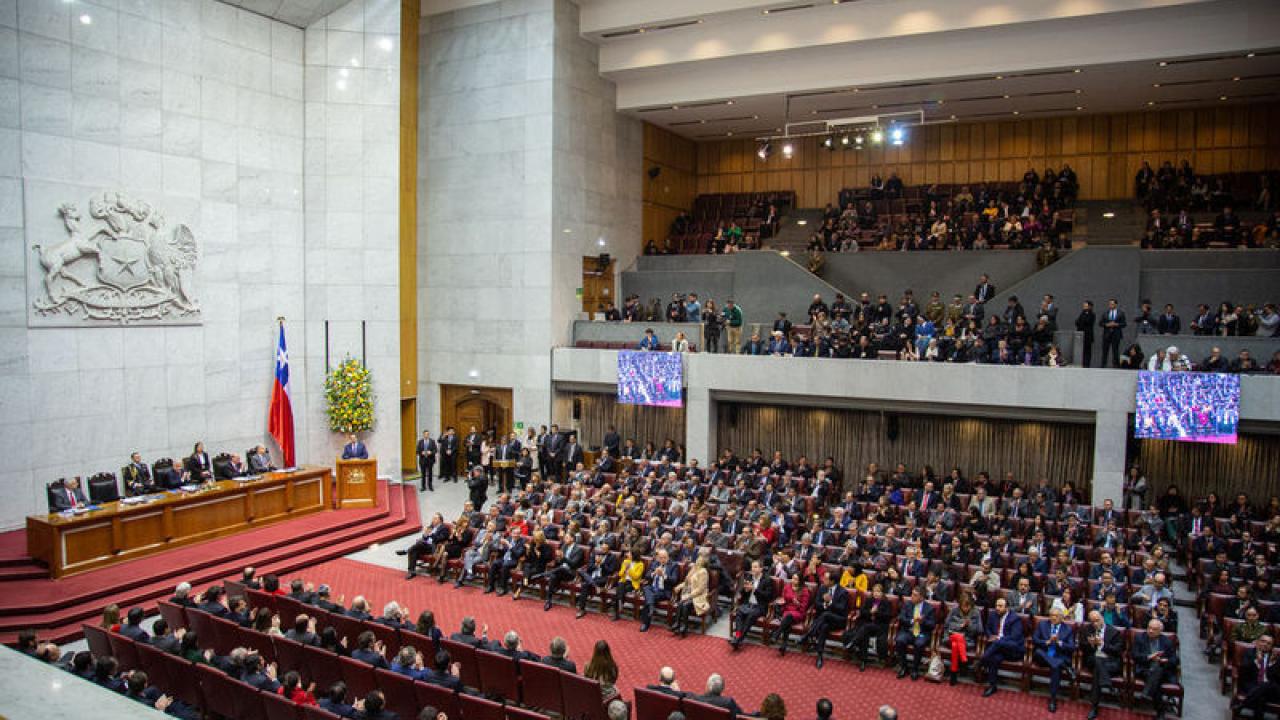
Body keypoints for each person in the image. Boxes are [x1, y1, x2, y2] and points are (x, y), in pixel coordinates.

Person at [1132, 619, 1179, 719]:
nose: (1151, 631)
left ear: (1160, 631)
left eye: (1154, 629)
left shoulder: (1166, 641)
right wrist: (1149, 657)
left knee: (1157, 671)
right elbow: (1135, 655)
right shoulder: (1140, 638)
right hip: (1145, 668)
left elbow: (1174, 660)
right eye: (1149, 628)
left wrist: (1164, 660)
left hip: (1163, 670)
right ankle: (1160, 712)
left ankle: (1146, 693)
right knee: (1155, 679)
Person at [1032, 607, 1076, 712]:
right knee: (1038, 652)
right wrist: (1046, 642)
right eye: (1051, 615)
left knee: (1055, 667)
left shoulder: (1068, 629)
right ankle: (1064, 666)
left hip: (1057, 656)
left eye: (1056, 616)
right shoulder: (1042, 624)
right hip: (1043, 656)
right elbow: (1035, 639)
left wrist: (1059, 642)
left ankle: (1053, 699)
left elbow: (1071, 647)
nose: (1053, 618)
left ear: (1061, 617)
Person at [1082, 610, 1124, 719]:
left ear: (1102, 619)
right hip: (1093, 660)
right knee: (1097, 659)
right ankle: (1106, 682)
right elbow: (1082, 647)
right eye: (1092, 622)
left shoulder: (1114, 632)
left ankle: (1094, 707)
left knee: (1098, 670)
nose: (1095, 624)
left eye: (1097, 620)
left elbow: (1118, 651)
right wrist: (1091, 645)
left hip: (1110, 662)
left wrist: (1103, 645)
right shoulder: (1087, 630)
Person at [801, 573, 849, 668]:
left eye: (826, 579)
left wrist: (830, 602)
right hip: (823, 621)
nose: (823, 580)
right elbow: (816, 603)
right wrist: (824, 605)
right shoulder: (822, 588)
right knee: (824, 627)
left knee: (826, 614)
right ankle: (819, 656)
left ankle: (809, 634)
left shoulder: (843, 592)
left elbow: (842, 608)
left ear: (832, 581)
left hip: (837, 620)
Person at [981, 596, 1024, 697]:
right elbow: (987, 628)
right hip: (998, 650)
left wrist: (998, 640)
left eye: (1000, 606)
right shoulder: (993, 615)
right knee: (994, 659)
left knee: (998, 643)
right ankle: (992, 686)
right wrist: (991, 636)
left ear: (1007, 608)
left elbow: (1014, 637)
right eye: (996, 605)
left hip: (1012, 649)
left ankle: (982, 661)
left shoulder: (1015, 618)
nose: (997, 608)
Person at [730, 560, 775, 649]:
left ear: (761, 569)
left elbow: (768, 597)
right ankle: (738, 636)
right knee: (739, 612)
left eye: (755, 567)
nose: (752, 569)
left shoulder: (767, 580)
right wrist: (745, 591)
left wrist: (754, 589)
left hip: (760, 606)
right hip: (748, 604)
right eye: (752, 567)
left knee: (750, 616)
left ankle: (738, 639)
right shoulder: (749, 577)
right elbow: (743, 593)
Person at [1234, 633, 1280, 717]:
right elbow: (1243, 670)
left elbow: (1277, 677)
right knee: (1261, 698)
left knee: (1267, 684)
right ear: (1257, 642)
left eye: (1269, 643)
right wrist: (1256, 661)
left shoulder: (1275, 657)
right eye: (1263, 641)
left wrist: (1271, 664)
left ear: (1272, 646)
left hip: (1271, 688)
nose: (1265, 644)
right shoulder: (1249, 653)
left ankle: (1242, 705)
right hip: (1252, 684)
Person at [894, 586, 935, 680]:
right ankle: (904, 667)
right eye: (912, 594)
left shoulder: (929, 608)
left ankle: (915, 669)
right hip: (908, 631)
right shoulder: (907, 604)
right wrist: (912, 621)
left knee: (919, 644)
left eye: (915, 595)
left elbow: (932, 624)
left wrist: (922, 622)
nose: (911, 596)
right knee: (900, 640)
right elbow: (901, 618)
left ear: (921, 597)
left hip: (922, 632)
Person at [944, 590, 982, 684]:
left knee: (955, 646)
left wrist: (969, 626)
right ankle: (964, 659)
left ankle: (953, 674)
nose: (965, 608)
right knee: (957, 637)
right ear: (960, 605)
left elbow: (980, 630)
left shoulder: (976, 613)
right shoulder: (954, 610)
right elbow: (946, 625)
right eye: (963, 606)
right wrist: (961, 625)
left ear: (971, 605)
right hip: (951, 636)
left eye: (968, 606)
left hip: (967, 641)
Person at [576, 543, 620, 619]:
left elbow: (611, 571)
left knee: (585, 584)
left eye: (605, 549)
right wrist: (596, 564)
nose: (602, 550)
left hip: (602, 578)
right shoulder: (594, 554)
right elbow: (589, 567)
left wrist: (601, 564)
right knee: (581, 572)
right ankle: (595, 587)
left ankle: (581, 609)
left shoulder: (612, 557)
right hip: (591, 576)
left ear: (608, 550)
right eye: (602, 548)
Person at [640, 549, 679, 632]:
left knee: (649, 597)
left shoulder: (674, 565)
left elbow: (674, 580)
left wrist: (663, 575)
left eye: (665, 558)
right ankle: (651, 605)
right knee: (646, 587)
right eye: (661, 558)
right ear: (657, 558)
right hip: (652, 588)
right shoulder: (655, 563)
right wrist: (653, 573)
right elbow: (646, 576)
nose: (663, 560)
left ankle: (645, 623)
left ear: (668, 557)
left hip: (664, 591)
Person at [671, 555, 710, 637]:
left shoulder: (703, 572)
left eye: (700, 560)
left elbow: (700, 589)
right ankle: (677, 624)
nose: (697, 561)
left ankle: (684, 627)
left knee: (684, 604)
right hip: (689, 594)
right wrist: (679, 586)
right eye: (698, 559)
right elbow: (687, 582)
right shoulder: (693, 569)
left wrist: (689, 596)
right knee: (681, 603)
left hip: (698, 597)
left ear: (703, 562)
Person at [1099, 298, 1126, 368]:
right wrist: (1106, 325)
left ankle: (1116, 364)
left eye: (1112, 304)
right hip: (1107, 334)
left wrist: (1117, 324)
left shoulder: (1120, 313)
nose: (1111, 305)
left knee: (1115, 350)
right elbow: (1100, 323)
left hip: (1116, 334)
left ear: (1116, 305)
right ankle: (1103, 364)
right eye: (1110, 304)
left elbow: (1124, 324)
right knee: (1105, 350)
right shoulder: (1105, 313)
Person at [1076, 300, 1096, 367]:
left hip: (1088, 335)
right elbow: (1077, 322)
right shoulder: (1082, 313)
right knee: (1081, 350)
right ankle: (1081, 363)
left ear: (1090, 306)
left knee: (1087, 351)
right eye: (1084, 306)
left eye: (1086, 306)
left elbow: (1087, 322)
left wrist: (1082, 321)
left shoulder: (1092, 314)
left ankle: (1087, 364)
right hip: (1081, 335)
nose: (1084, 307)